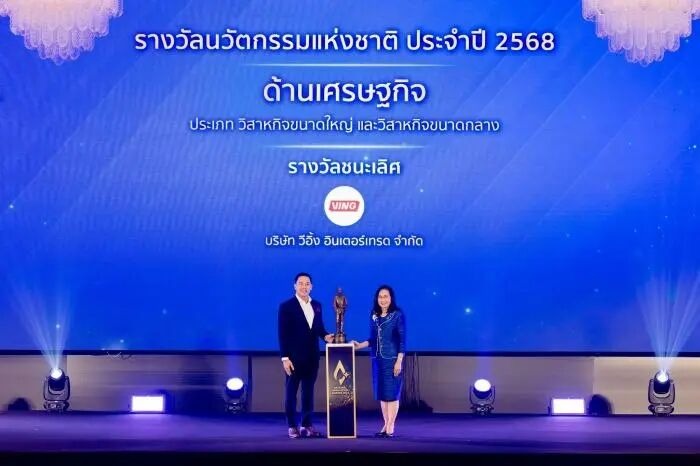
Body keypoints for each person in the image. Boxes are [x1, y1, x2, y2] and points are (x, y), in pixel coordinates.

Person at [278, 272, 334, 438]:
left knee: (308, 392)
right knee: (291, 393)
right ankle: (292, 426)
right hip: (293, 358)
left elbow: (319, 329)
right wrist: (285, 358)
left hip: (312, 357)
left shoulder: (317, 305)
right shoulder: (286, 306)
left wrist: (327, 337)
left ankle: (306, 425)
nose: (304, 286)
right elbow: (283, 333)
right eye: (301, 283)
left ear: (311, 286)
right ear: (295, 286)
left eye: (307, 283)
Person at [352, 285, 406, 438]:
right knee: (382, 394)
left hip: (392, 359)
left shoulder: (397, 315)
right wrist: (359, 345)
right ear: (377, 299)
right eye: (380, 297)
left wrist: (399, 361)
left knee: (392, 394)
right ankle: (385, 423)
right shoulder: (374, 315)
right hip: (377, 360)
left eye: (386, 296)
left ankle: (391, 425)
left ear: (391, 298)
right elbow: (373, 339)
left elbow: (402, 340)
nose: (383, 300)